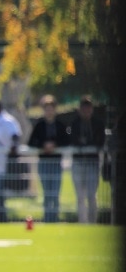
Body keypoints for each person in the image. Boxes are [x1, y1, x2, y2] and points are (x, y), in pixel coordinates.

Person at [27, 95, 69, 223]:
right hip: (44, 162)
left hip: (56, 163)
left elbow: (66, 141)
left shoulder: (60, 125)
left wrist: (54, 145)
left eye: (51, 109)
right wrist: (43, 146)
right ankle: (47, 219)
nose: (49, 111)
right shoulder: (39, 125)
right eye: (47, 109)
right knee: (46, 193)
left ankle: (55, 218)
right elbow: (31, 142)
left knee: (55, 192)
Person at [67, 95, 105, 223]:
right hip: (78, 163)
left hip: (92, 163)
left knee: (91, 195)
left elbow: (100, 141)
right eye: (84, 109)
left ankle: (93, 222)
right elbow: (72, 140)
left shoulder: (98, 123)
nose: (86, 112)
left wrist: (88, 144)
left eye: (88, 109)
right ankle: (82, 223)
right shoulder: (74, 123)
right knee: (80, 196)